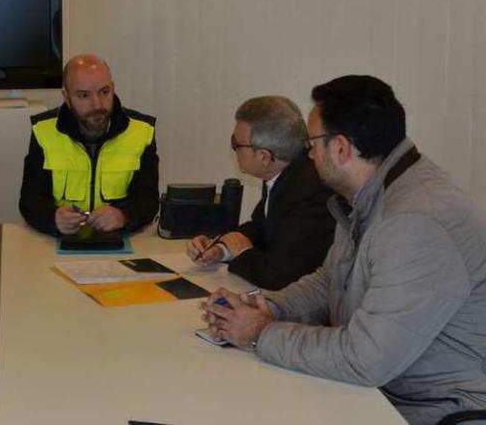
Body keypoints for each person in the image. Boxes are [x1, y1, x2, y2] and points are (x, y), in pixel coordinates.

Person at [202, 75, 486, 424]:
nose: (308, 153)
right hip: (389, 393)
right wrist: (267, 307)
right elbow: (329, 281)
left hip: (436, 410)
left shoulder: (415, 221)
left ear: (340, 148)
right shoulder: (374, 194)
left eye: (312, 143)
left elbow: (365, 359)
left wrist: (260, 333)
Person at [186, 96, 335, 290]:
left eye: (236, 144)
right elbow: (260, 228)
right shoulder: (287, 175)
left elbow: (280, 276)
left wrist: (242, 253)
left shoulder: (312, 192)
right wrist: (220, 248)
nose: (233, 150)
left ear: (264, 156)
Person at [19, 54, 159, 235]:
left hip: (120, 241)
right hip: (59, 242)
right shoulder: (44, 130)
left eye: (104, 92)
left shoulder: (141, 130)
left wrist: (124, 215)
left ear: (113, 89)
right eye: (83, 95)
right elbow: (30, 200)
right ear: (67, 97)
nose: (97, 104)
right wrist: (52, 218)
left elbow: (148, 199)